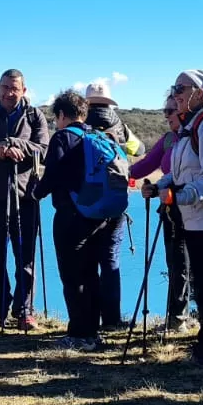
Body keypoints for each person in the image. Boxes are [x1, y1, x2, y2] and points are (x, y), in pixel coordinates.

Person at [150, 69, 203, 365]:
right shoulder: (192, 127)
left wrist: (178, 196)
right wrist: (160, 186)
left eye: (180, 88)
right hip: (193, 217)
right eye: (174, 88)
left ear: (200, 93)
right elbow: (181, 172)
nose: (175, 93)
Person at [32, 91, 123, 351]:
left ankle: (79, 334)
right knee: (91, 274)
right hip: (99, 217)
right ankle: (92, 331)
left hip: (71, 217)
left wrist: (36, 193)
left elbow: (53, 175)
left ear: (61, 115)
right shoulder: (98, 136)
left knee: (73, 275)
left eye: (56, 118)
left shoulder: (63, 137)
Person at [0, 69, 51, 330]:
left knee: (25, 257)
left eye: (14, 88)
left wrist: (18, 145)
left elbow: (45, 150)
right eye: (4, 87)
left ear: (24, 90)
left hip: (26, 198)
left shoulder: (35, 116)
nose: (8, 93)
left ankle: (25, 311)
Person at [83, 81, 142, 330]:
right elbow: (139, 149)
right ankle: (112, 319)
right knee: (110, 261)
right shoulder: (119, 125)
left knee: (85, 262)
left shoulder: (80, 123)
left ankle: (87, 319)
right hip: (116, 203)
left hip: (86, 203)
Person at [130, 96, 190, 332]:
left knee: (183, 263)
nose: (166, 115)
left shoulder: (194, 138)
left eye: (170, 110)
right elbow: (143, 167)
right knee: (175, 262)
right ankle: (176, 317)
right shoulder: (167, 140)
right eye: (165, 110)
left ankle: (180, 319)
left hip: (192, 208)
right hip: (169, 209)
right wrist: (115, 170)